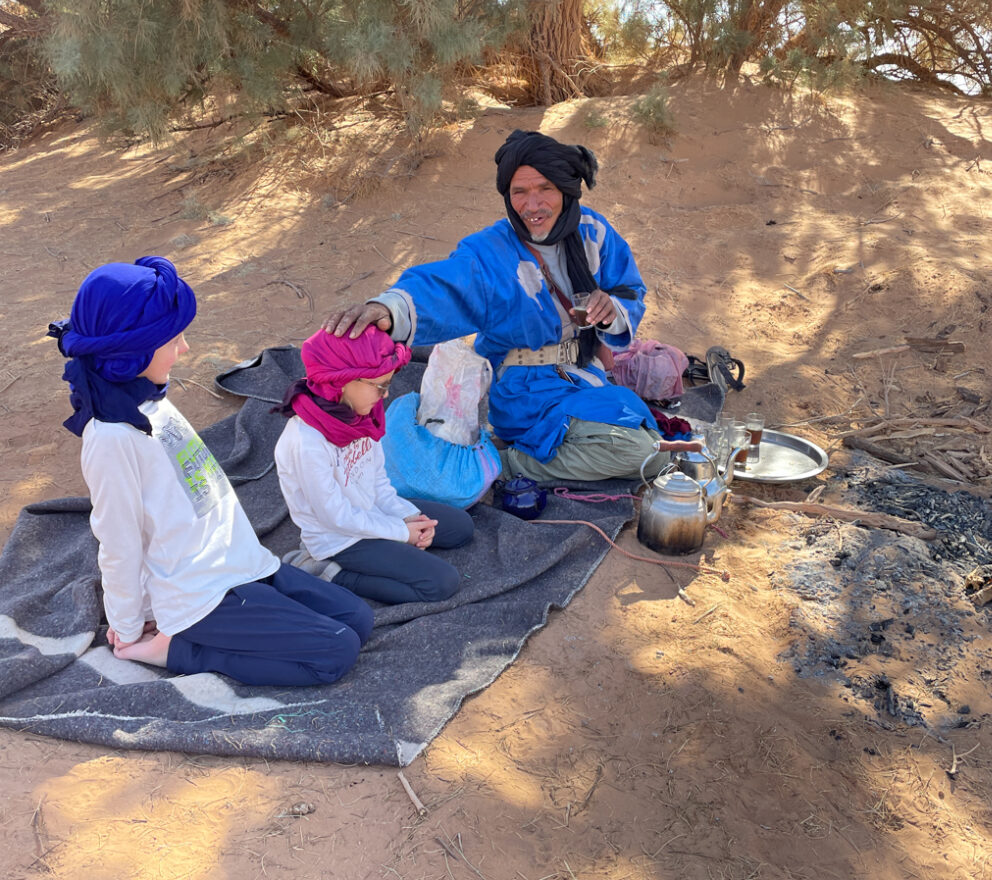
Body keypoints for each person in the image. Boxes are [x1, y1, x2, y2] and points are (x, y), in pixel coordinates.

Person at [50, 256, 372, 686]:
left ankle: (215, 624)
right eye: (173, 338)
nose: (184, 348)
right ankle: (177, 650)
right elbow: (119, 541)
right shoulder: (110, 439)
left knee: (358, 618)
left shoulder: (148, 397)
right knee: (336, 650)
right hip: (200, 596)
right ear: (131, 351)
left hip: (240, 562)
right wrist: (129, 626)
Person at [324, 129, 667, 483]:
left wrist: (611, 310)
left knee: (650, 442)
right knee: (640, 452)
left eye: (545, 189)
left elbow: (629, 288)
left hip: (584, 375)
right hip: (527, 389)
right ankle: (502, 466)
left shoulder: (594, 232)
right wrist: (389, 308)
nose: (532, 206)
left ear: (566, 190)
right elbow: (445, 285)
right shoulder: (491, 252)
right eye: (520, 193)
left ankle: (547, 450)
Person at [273, 327, 472, 604]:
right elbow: (337, 517)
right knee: (441, 584)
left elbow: (378, 481)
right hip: (340, 538)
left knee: (461, 527)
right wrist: (402, 533)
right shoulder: (307, 442)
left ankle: (395, 539)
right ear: (340, 382)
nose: (386, 394)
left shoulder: (363, 413)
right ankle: (329, 572)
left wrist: (408, 516)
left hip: (371, 511)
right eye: (379, 386)